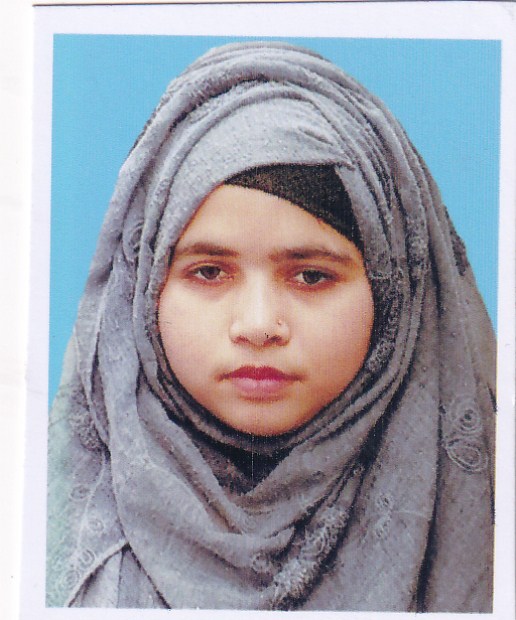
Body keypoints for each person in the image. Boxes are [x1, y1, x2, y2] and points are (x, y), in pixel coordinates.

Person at [46, 41, 495, 611]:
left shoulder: (489, 518)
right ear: (143, 289)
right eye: (209, 271)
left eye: (311, 276)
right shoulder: (36, 528)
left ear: (393, 297)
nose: (259, 326)